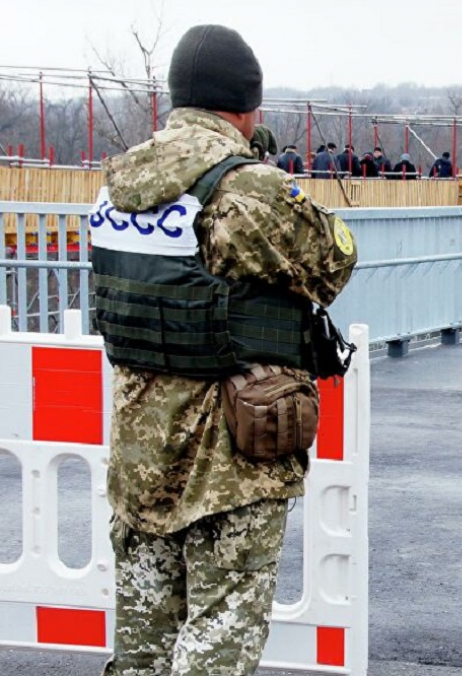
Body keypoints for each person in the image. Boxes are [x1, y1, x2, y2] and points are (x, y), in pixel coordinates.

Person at [92, 24, 357, 676]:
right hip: (228, 460)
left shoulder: (118, 182)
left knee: (141, 651)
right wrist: (269, 175)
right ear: (245, 105)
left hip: (139, 456)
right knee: (218, 643)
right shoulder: (247, 187)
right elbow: (335, 260)